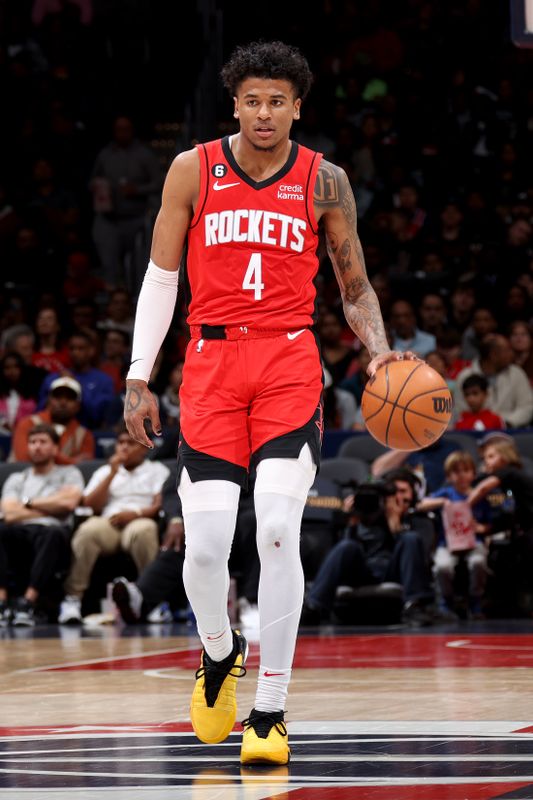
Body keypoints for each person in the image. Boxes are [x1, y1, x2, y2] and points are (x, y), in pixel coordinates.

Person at [123, 40, 414, 766]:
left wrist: (376, 349)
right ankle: (220, 654)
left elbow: (353, 287)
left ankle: (272, 708)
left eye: (276, 101)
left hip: (287, 360)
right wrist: (138, 375)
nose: (262, 112)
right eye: (251, 99)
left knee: (279, 531)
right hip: (211, 364)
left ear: (296, 108)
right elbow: (162, 280)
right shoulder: (192, 168)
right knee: (207, 544)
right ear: (234, 103)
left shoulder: (325, 182)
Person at [58, 423, 170, 624]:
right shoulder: (105, 471)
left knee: (145, 531)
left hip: (139, 518)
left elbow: (158, 504)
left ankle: (150, 599)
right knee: (87, 530)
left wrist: (135, 513)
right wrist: (112, 473)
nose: (124, 447)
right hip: (109, 522)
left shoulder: (156, 470)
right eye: (120, 443)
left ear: (145, 447)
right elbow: (91, 505)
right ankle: (73, 599)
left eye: (131, 443)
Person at [301, 469, 435, 626]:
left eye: (402, 492)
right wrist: (349, 521)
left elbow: (421, 557)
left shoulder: (417, 521)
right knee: (347, 546)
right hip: (362, 571)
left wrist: (396, 523)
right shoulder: (361, 518)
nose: (398, 497)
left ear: (413, 495)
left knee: (410, 538)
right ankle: (313, 607)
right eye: (393, 492)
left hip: (394, 571)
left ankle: (415, 606)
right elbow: (338, 553)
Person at [0, 424, 84, 626]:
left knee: (52, 533)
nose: (37, 447)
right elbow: (9, 514)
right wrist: (51, 504)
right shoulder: (17, 478)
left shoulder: (69, 473)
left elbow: (68, 504)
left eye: (43, 442)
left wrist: (28, 502)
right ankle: (1, 602)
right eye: (32, 442)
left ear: (55, 448)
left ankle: (28, 602)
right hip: (19, 531)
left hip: (52, 532)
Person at [417, 451, 492, 619]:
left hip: (473, 542)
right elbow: (421, 504)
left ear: (473, 473)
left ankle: (475, 600)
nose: (461, 476)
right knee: (443, 566)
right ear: (449, 476)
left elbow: (490, 524)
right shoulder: (446, 494)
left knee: (478, 562)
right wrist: (442, 502)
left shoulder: (480, 495)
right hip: (448, 543)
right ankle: (445, 601)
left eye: (465, 470)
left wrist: (480, 528)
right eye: (456, 472)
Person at [38, 331, 116, 429]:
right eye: (72, 348)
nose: (75, 352)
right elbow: (40, 411)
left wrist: (75, 385)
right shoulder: (53, 379)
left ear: (91, 351)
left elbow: (96, 415)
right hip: (53, 432)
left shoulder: (104, 381)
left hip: (89, 432)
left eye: (80, 349)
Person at [10, 375, 96, 464]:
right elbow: (23, 460)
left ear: (78, 406)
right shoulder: (28, 424)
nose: (63, 402)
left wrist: (44, 454)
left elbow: (85, 468)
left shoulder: (84, 435)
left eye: (70, 398)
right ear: (49, 401)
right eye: (58, 397)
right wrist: (70, 461)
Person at [454, 334, 533, 428]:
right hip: (472, 432)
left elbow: (527, 407)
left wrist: (505, 423)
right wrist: (481, 423)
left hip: (511, 432)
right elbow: (459, 410)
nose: (511, 354)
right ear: (493, 355)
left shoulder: (516, 373)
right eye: (507, 350)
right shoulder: (464, 376)